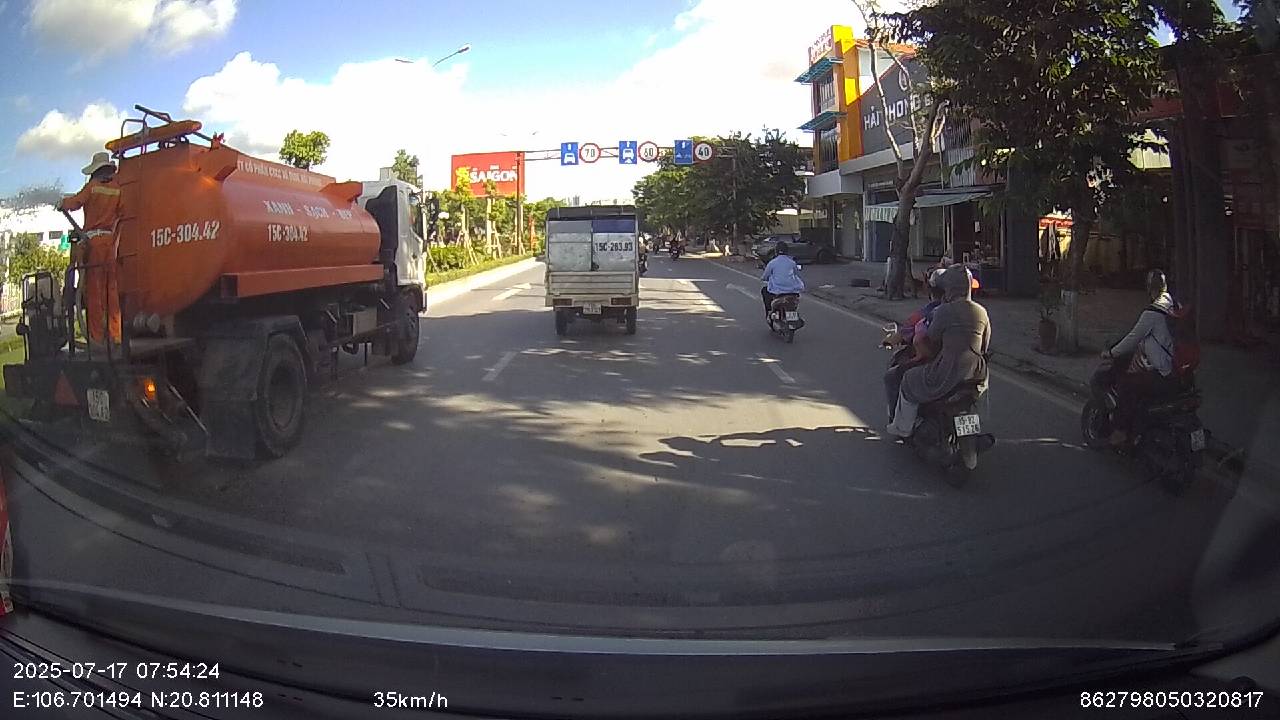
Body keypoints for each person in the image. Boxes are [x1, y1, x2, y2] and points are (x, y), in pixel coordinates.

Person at [886, 265, 991, 438]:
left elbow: (931, 338)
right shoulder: (981, 312)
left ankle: (903, 428)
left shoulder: (944, 311)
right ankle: (974, 432)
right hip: (976, 373)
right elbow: (985, 346)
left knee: (909, 379)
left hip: (947, 372)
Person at [1094, 269, 1178, 444]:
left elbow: (1132, 339)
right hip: (1176, 365)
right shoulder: (1174, 304)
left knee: (1127, 384)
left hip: (1163, 370)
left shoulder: (1153, 312)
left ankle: (1121, 430)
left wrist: (1110, 353)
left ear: (1149, 288)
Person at [57, 151, 123, 344]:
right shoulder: (117, 189)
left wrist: (61, 203)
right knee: (111, 290)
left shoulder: (92, 187)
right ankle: (115, 335)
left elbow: (76, 202)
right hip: (110, 243)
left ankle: (97, 337)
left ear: (96, 170)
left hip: (93, 242)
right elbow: (122, 212)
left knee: (94, 291)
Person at [884, 268, 947, 421]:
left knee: (892, 377)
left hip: (937, 364)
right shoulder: (976, 312)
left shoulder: (931, 312)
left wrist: (891, 340)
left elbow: (913, 335)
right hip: (968, 367)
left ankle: (898, 420)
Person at [760, 241, 804, 316]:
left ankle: (769, 312)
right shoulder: (792, 262)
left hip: (778, 292)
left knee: (764, 290)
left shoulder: (772, 263)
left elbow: (764, 277)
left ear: (776, 251)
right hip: (792, 291)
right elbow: (797, 274)